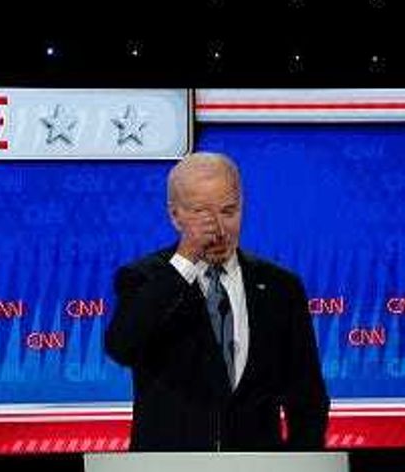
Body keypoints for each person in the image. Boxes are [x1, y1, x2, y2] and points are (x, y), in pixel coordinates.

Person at [104, 151, 329, 450]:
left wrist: (299, 468)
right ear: (175, 215)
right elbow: (122, 347)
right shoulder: (144, 278)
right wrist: (185, 260)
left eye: (228, 211)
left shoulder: (280, 287)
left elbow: (307, 395)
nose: (219, 229)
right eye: (202, 214)